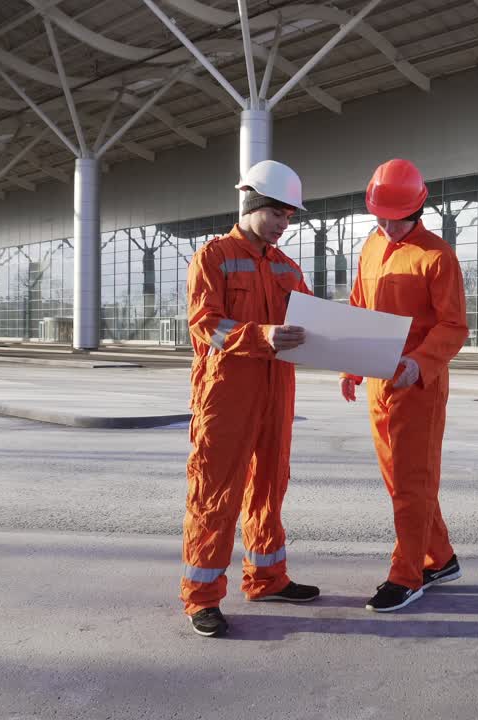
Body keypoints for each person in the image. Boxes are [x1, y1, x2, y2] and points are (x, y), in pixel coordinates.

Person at [180, 160, 320, 637]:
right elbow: (207, 324)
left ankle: (267, 577)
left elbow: (313, 320)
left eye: (289, 217)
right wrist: (263, 336)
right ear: (253, 204)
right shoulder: (213, 257)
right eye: (279, 213)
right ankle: (202, 597)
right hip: (227, 394)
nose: (285, 223)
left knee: (269, 486)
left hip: (276, 392)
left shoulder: (286, 267)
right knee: (216, 492)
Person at [340, 159, 469, 612]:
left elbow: (454, 326)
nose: (386, 226)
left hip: (419, 385)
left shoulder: (437, 256)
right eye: (379, 217)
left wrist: (420, 363)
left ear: (416, 209)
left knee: (413, 481)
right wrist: (351, 364)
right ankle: (442, 558)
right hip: (378, 380)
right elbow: (359, 306)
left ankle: (407, 574)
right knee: (399, 480)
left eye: (394, 219)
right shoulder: (371, 246)